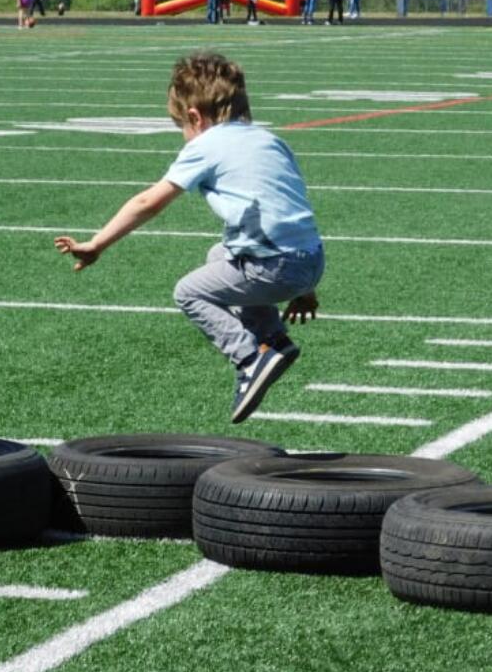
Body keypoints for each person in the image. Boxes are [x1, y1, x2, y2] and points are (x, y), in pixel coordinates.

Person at [54, 52, 324, 424]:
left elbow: (149, 202)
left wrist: (98, 243)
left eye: (180, 125)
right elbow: (290, 211)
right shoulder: (269, 140)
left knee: (189, 291)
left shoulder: (205, 145)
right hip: (309, 260)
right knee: (219, 255)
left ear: (195, 118)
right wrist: (305, 288)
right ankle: (273, 340)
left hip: (273, 265)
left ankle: (249, 357)